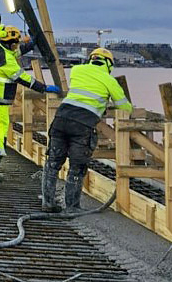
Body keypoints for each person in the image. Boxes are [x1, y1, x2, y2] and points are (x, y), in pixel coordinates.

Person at [41, 47, 132, 212]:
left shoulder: (77, 70)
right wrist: (106, 103)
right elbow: (125, 107)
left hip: (61, 119)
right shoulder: (109, 80)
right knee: (77, 167)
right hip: (82, 126)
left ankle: (48, 203)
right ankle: (72, 207)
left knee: (53, 163)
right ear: (109, 64)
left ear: (91, 59)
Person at [0, 24, 60, 181]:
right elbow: (22, 77)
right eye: (16, 42)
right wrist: (44, 87)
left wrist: (31, 44)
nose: (17, 45)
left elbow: (16, 53)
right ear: (9, 42)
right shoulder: (6, 58)